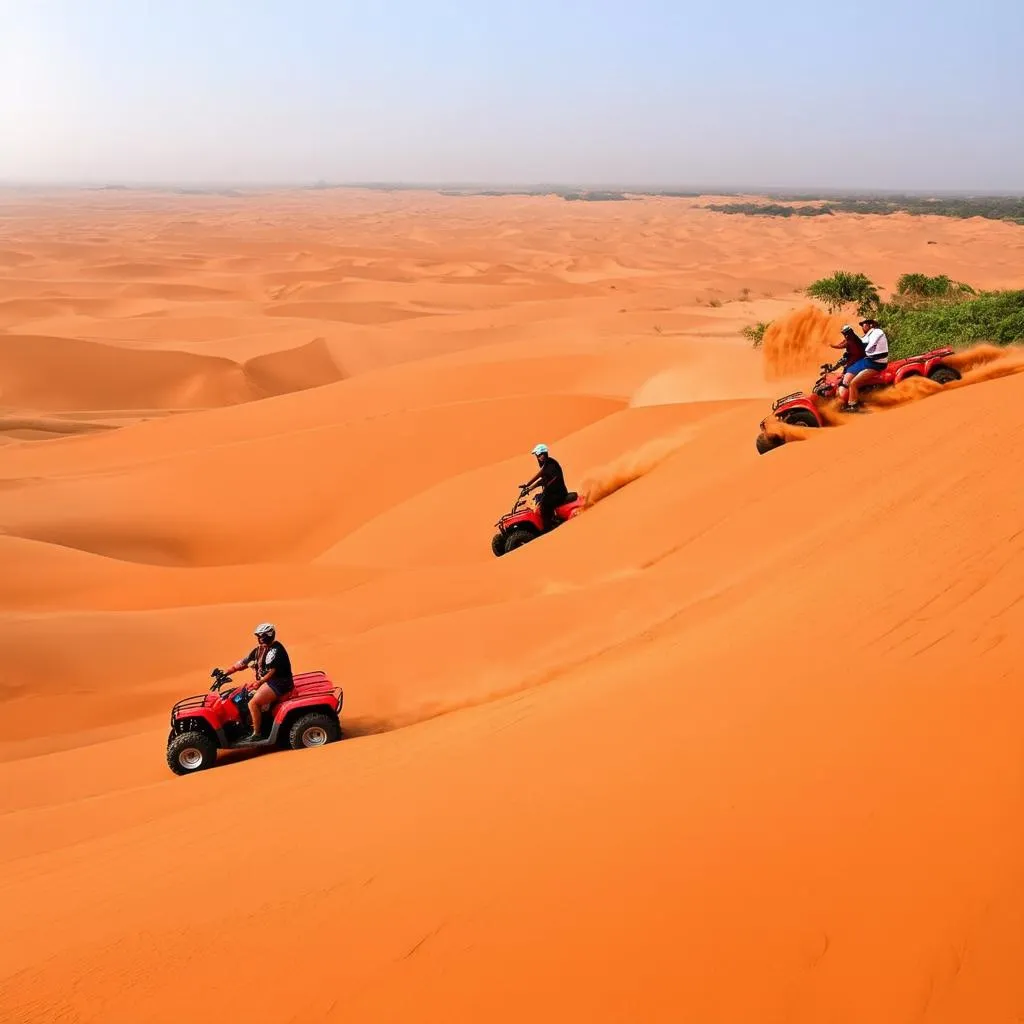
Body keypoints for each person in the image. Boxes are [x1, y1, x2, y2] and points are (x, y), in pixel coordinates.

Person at [219, 622, 294, 742]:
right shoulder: (259, 650)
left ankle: (257, 733)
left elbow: (272, 671)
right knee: (242, 696)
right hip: (267, 682)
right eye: (258, 636)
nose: (259, 638)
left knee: (253, 703)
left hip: (279, 683)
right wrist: (226, 672)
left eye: (261, 636)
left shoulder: (276, 650)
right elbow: (243, 663)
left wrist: (260, 682)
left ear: (268, 635)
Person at [842, 318, 890, 411]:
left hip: (876, 364)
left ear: (870, 325)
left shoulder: (877, 332)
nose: (862, 327)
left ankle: (853, 405)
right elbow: (861, 341)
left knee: (853, 383)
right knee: (850, 369)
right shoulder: (868, 335)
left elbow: (869, 345)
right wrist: (852, 334)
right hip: (868, 361)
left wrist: (865, 350)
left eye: (863, 325)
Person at [522, 443, 569, 532]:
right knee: (539, 501)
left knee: (544, 507)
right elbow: (540, 475)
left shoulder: (551, 465)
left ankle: (548, 529)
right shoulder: (547, 464)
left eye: (540, 455)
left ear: (545, 454)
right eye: (538, 456)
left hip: (559, 493)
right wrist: (528, 485)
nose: (539, 457)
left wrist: (542, 485)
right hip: (552, 492)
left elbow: (546, 480)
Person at [831, 324, 867, 407]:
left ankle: (852, 404)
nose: (846, 335)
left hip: (858, 364)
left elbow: (841, 345)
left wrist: (831, 345)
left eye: (846, 333)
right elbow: (843, 346)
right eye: (845, 333)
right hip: (857, 363)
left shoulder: (851, 342)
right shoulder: (852, 339)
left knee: (846, 382)